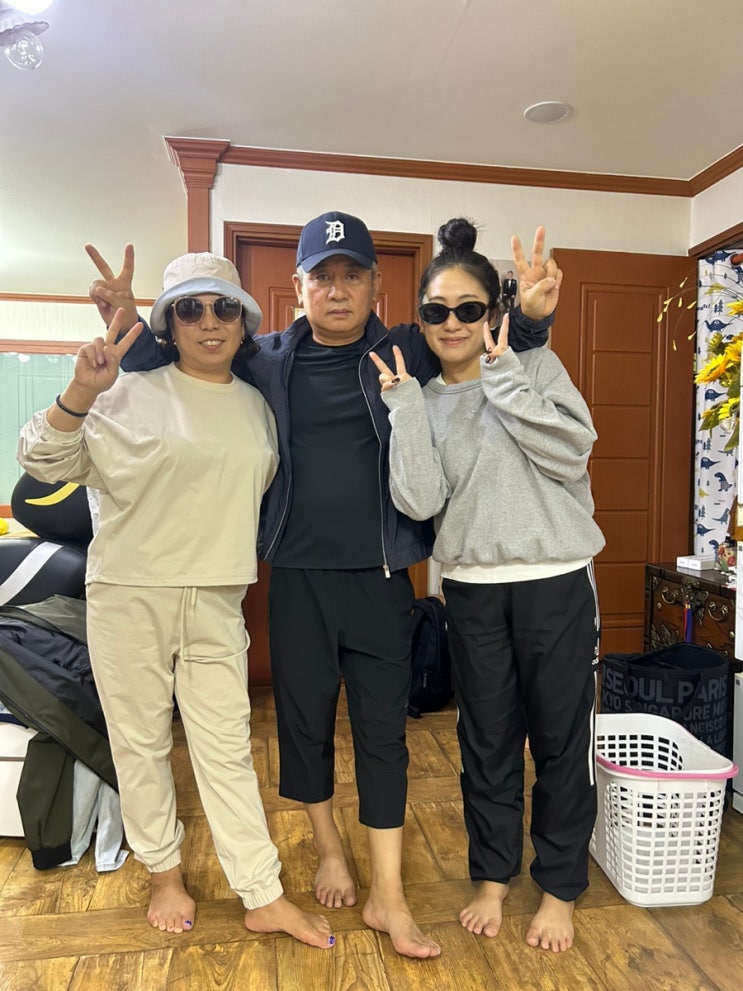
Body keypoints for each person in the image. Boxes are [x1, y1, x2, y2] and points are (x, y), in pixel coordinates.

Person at [86, 211, 559, 959]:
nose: (337, 291)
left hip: (382, 577)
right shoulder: (265, 357)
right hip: (296, 577)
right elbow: (186, 352)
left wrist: (530, 318)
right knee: (303, 727)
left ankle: (388, 894)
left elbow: (480, 341)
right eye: (322, 277)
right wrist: (127, 321)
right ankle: (329, 848)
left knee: (384, 734)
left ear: (374, 286)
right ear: (298, 286)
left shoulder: (405, 347)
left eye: (352, 276)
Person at [17, 253, 335, 949]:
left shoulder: (258, 407)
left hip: (219, 594)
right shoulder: (125, 392)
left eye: (224, 307)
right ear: (170, 322)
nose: (209, 321)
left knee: (227, 748)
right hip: (129, 591)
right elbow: (41, 463)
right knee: (141, 743)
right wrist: (80, 391)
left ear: (244, 322)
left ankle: (262, 891)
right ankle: (164, 874)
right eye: (190, 308)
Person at [370, 218, 604, 953]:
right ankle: (493, 876)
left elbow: (570, 452)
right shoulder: (422, 398)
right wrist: (406, 411)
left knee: (561, 742)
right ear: (421, 319)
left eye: (468, 308)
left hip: (555, 582)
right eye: (436, 310)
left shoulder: (535, 367)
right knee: (487, 742)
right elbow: (418, 501)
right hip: (470, 589)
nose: (452, 323)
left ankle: (559, 887)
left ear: (492, 312)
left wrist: (504, 378)